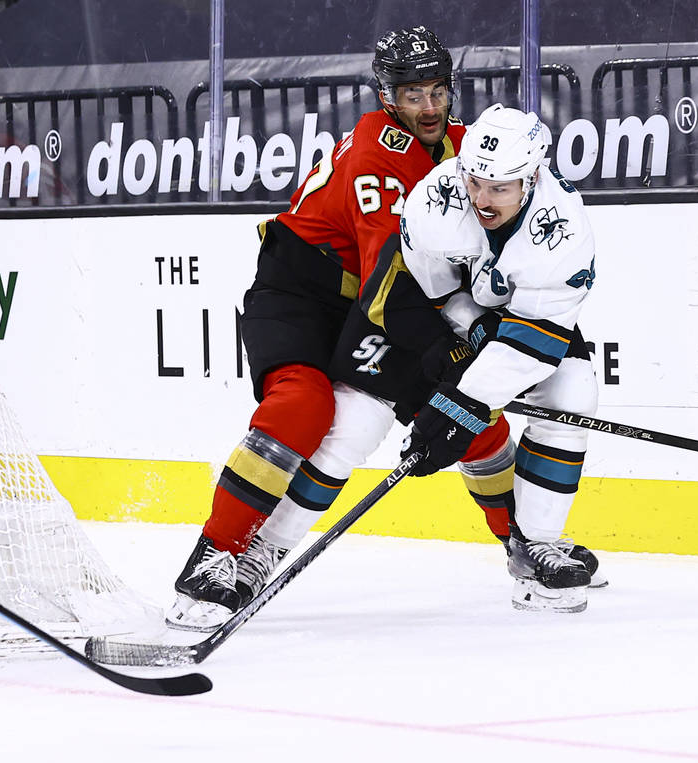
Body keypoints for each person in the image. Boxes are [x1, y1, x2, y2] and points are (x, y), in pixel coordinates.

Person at [168, 26, 466, 630]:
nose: (429, 108)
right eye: (413, 95)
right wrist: (451, 356)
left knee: (477, 423)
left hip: (374, 299)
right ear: (388, 96)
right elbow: (393, 284)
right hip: (301, 291)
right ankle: (215, 558)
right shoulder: (378, 155)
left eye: (437, 91)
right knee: (303, 406)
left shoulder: (465, 149)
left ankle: (530, 545)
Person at [253, 105, 601, 614]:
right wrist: (467, 327)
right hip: (408, 307)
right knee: (352, 426)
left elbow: (533, 342)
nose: (482, 198)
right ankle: (261, 552)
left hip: (511, 321)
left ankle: (537, 549)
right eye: (475, 180)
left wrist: (460, 408)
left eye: (500, 188)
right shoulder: (438, 198)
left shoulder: (564, 233)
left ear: (533, 177)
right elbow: (421, 289)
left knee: (572, 391)